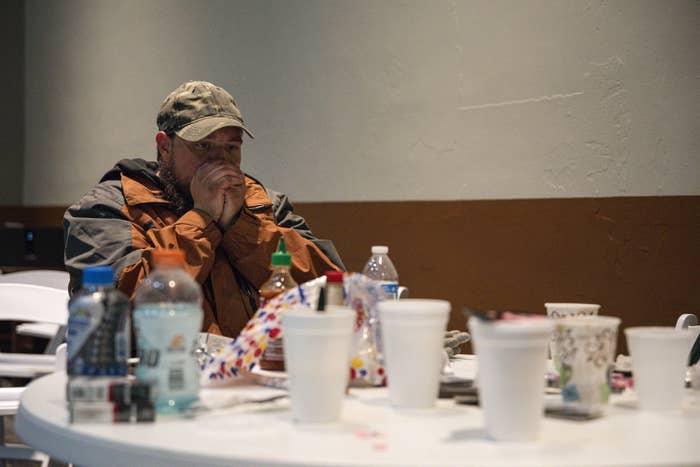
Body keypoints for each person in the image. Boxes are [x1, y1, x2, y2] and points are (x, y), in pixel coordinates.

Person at [64, 80, 344, 338]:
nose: (219, 162)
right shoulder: (106, 208)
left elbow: (330, 294)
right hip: (159, 378)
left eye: (231, 148)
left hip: (262, 375)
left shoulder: (265, 204)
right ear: (164, 147)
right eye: (203, 146)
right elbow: (116, 312)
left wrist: (239, 226)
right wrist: (202, 218)